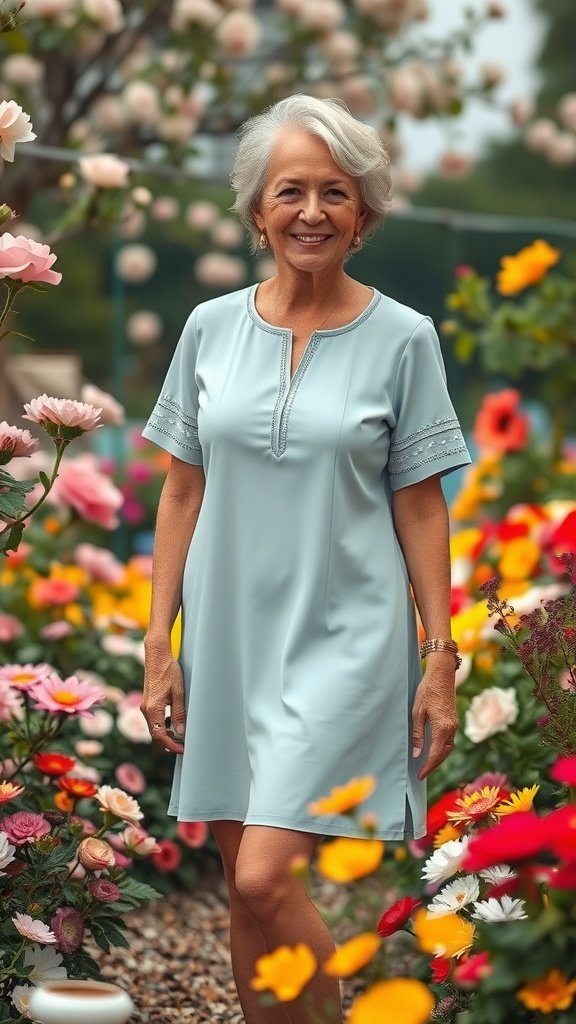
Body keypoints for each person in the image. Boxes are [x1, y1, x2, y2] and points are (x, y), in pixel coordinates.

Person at [141, 94, 472, 1024]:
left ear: (364, 214)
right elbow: (181, 492)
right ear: (258, 210)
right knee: (242, 887)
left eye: (336, 192)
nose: (312, 211)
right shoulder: (208, 328)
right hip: (227, 640)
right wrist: (159, 643)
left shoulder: (404, 338)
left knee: (265, 877)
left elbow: (421, 504)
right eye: (291, 191)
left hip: (346, 641)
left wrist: (439, 658)